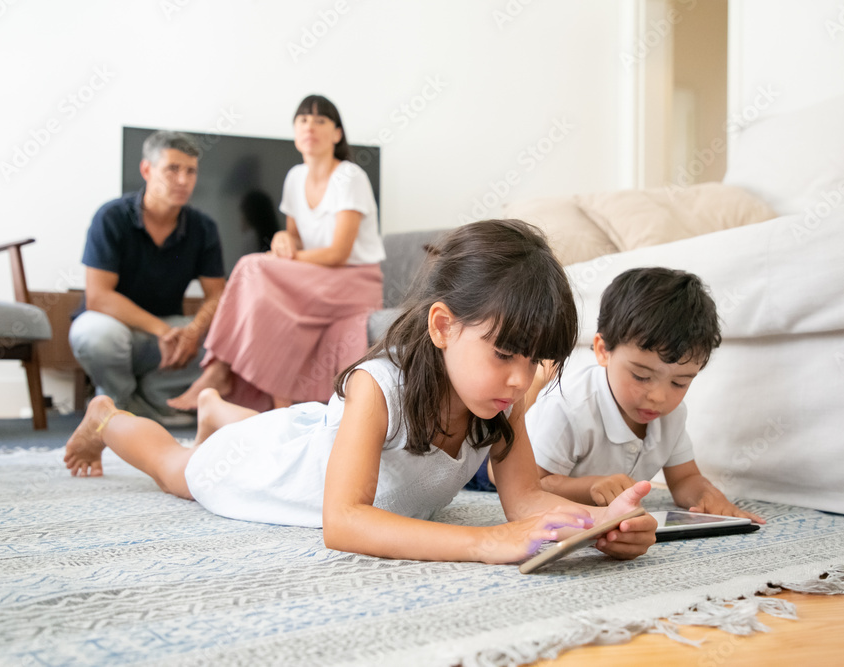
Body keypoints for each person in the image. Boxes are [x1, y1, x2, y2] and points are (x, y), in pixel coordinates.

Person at [64, 220, 659, 564]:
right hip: (278, 471)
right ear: (443, 326)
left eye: (535, 361)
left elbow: (525, 499)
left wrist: (596, 525)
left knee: (266, 428)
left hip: (309, 436)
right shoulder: (379, 386)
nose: (520, 378)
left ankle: (219, 410)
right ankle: (106, 418)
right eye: (505, 353)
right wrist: (482, 543)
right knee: (177, 468)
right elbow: (343, 522)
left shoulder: (504, 399)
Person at [167, 94, 385, 413]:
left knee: (252, 267)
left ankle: (219, 371)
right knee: (262, 292)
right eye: (303, 120)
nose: (310, 126)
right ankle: (273, 402)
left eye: (320, 120)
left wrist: (288, 257)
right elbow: (295, 237)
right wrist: (284, 239)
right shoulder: (295, 177)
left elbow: (339, 252)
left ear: (337, 134)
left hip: (353, 280)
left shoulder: (349, 176)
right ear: (295, 132)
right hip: (314, 276)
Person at [525, 267, 764, 523]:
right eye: (641, 377)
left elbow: (685, 479)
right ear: (603, 350)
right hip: (499, 462)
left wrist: (708, 495)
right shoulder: (570, 407)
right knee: (494, 461)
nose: (659, 397)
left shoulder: (671, 416)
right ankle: (537, 383)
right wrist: (590, 487)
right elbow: (532, 485)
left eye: (680, 382)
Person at [69, 130, 225, 425]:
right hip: (118, 328)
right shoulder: (111, 216)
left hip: (170, 335)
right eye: (172, 169)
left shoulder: (203, 227)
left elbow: (217, 294)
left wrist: (192, 331)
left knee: (230, 343)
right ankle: (120, 403)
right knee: (94, 335)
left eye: (190, 171)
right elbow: (98, 296)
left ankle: (150, 397)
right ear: (147, 169)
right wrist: (162, 330)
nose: (183, 180)